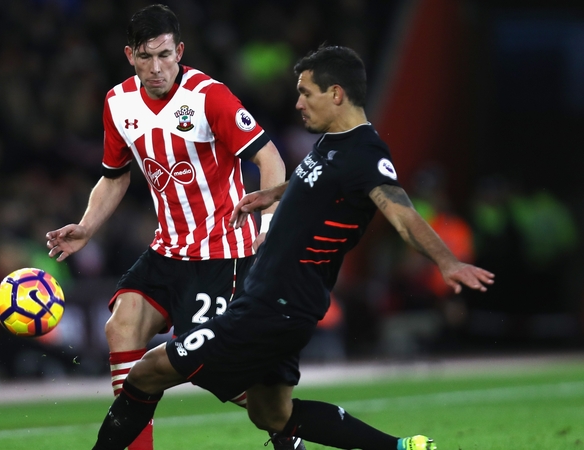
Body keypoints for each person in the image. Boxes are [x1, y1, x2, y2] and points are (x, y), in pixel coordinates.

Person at [90, 45, 495, 450]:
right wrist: (273, 195)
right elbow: (314, 184)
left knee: (148, 371)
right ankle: (402, 448)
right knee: (271, 413)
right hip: (282, 304)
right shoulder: (332, 143)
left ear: (336, 94)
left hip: (273, 305)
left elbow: (403, 215)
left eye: (306, 93)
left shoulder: (364, 153)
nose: (298, 103)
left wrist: (447, 262)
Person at [46, 5, 290, 450]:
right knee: (122, 327)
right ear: (129, 56)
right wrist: (86, 227)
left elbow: (269, 158)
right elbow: (115, 174)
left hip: (222, 253)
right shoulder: (118, 104)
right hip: (167, 250)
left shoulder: (208, 96)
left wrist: (268, 223)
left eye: (164, 55)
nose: (156, 68)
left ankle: (287, 427)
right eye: (145, 57)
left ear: (179, 51)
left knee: (212, 372)